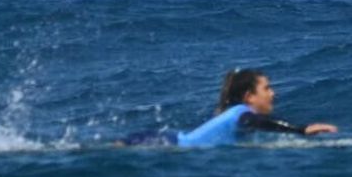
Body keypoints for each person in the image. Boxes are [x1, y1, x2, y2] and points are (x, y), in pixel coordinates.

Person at [122, 68, 338, 147]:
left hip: (166, 139)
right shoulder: (242, 114)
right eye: (267, 88)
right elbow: (256, 122)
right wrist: (300, 130)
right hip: (160, 143)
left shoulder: (234, 114)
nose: (273, 93)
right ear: (249, 97)